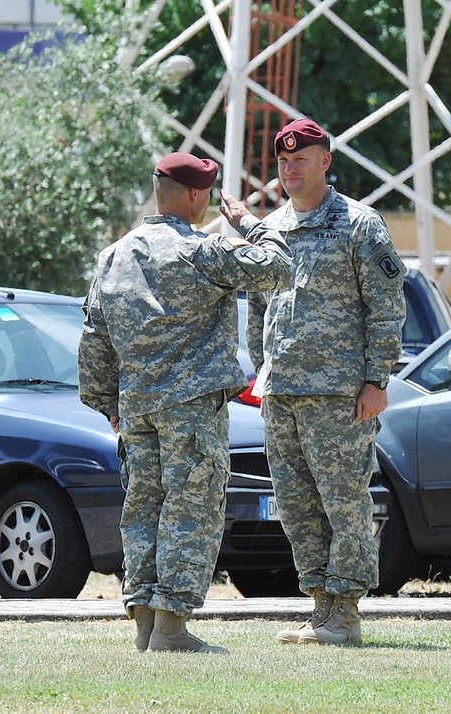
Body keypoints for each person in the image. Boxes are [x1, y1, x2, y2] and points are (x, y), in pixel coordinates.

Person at [78, 152, 293, 654]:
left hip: (136, 409)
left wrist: (107, 401)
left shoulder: (114, 255)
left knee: (143, 508)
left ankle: (146, 626)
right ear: (197, 195)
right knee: (190, 509)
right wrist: (247, 223)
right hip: (191, 408)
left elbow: (94, 337)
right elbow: (280, 267)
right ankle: (172, 629)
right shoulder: (201, 250)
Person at [245, 118, 406, 646]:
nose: (290, 170)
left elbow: (386, 306)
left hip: (340, 395)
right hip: (284, 393)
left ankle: (346, 613)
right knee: (297, 506)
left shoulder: (358, 224)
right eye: (284, 162)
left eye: (301, 160)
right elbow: (260, 309)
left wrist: (376, 378)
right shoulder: (274, 228)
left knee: (344, 502)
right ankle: (321, 607)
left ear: (324, 162)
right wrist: (261, 376)